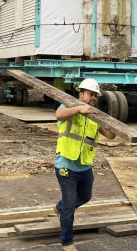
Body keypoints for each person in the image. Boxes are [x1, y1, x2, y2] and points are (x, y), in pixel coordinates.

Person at [53, 78, 115, 251]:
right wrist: (79, 109)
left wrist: (114, 125)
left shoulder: (95, 116)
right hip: (66, 164)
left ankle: (61, 208)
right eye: (90, 94)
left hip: (84, 165)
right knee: (69, 203)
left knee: (85, 197)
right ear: (81, 94)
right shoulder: (68, 106)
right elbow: (58, 116)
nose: (93, 98)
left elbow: (110, 135)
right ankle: (67, 241)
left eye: (95, 95)